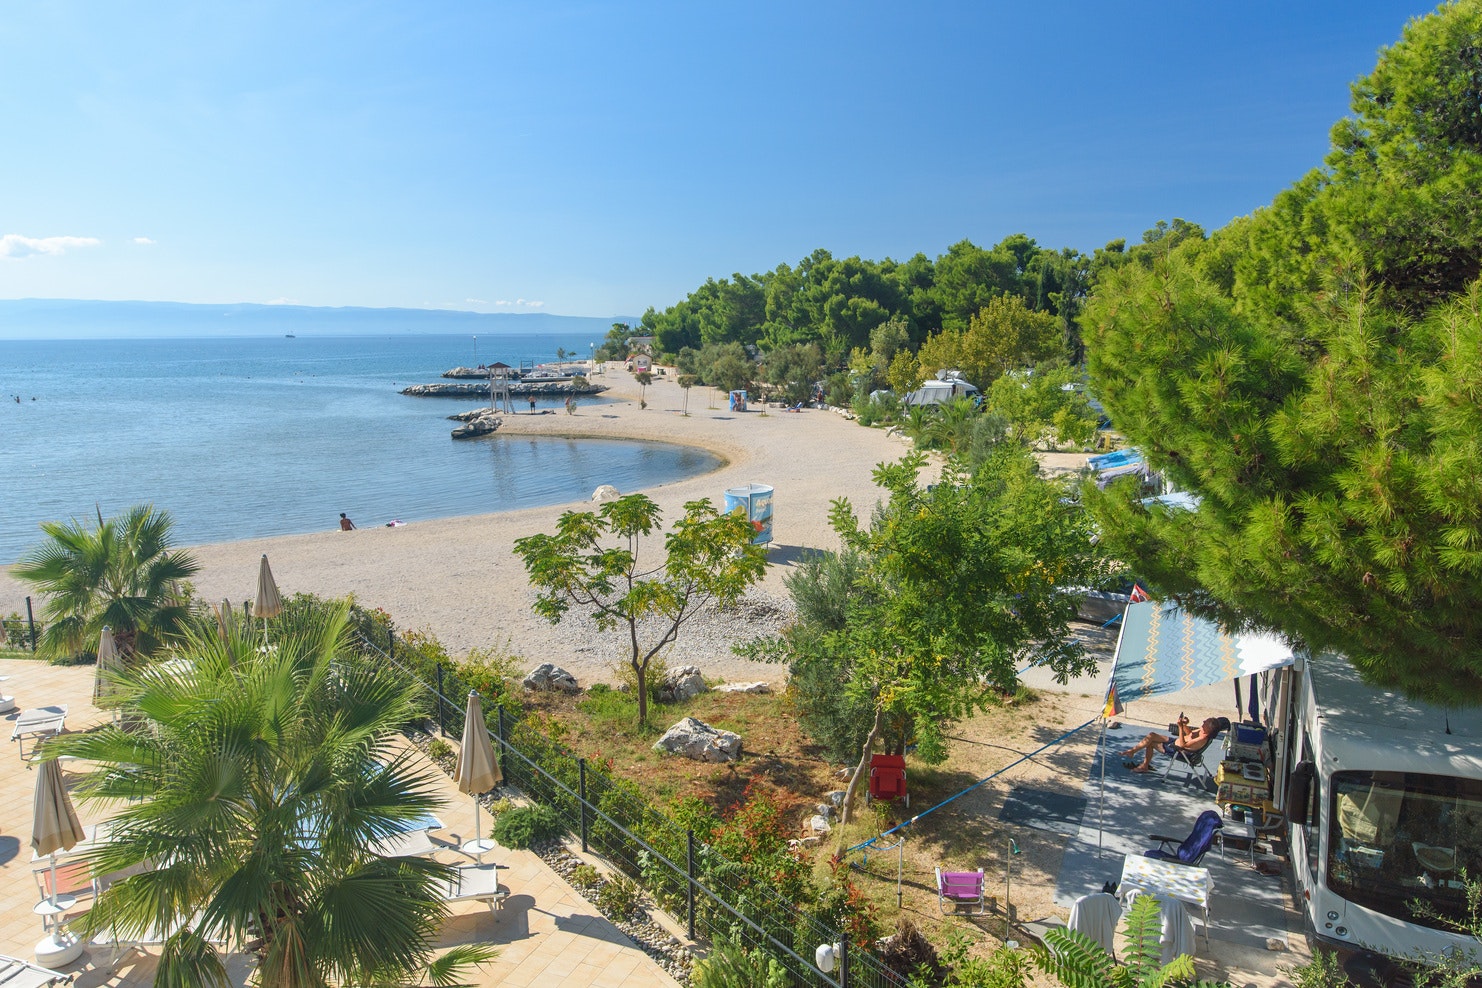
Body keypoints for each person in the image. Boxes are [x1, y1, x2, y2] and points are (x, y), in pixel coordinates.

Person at [1121, 715, 1229, 773]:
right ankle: (1132, 751)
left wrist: (1180, 727)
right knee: (1151, 735)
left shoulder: (1202, 738)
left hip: (1178, 750)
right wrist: (1185, 724)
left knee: (1151, 743)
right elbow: (1190, 734)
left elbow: (1182, 746)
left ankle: (1144, 766)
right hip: (1175, 742)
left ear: (1208, 728)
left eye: (1205, 722)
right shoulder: (1202, 730)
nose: (1203, 721)